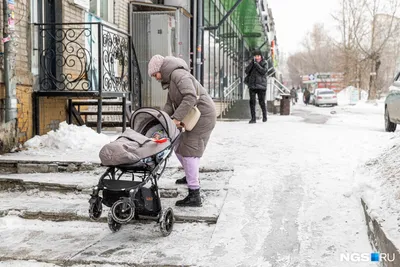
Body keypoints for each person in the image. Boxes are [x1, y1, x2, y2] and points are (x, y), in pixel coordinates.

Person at [148, 54, 216, 207]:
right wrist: (162, 119)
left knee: (189, 151)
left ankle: (194, 194)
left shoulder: (179, 75)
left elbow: (190, 97)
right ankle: (190, 175)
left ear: (160, 69)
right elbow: (169, 105)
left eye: (155, 74)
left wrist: (176, 118)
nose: (155, 78)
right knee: (178, 147)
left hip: (202, 116)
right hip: (193, 116)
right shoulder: (171, 80)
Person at [245, 49, 268, 123]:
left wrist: (256, 64)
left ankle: (265, 116)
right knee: (252, 102)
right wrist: (252, 64)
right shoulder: (252, 63)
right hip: (252, 85)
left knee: (261, 102)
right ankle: (253, 118)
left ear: (261, 56)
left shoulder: (264, 62)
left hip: (261, 86)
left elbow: (263, 71)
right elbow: (246, 71)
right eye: (255, 56)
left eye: (258, 56)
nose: (257, 57)